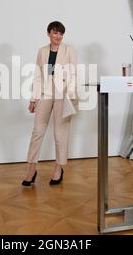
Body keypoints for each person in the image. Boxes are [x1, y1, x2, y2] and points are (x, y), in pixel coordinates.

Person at [22, 21, 77, 187]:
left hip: (63, 94)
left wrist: (70, 96)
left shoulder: (69, 50)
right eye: (55, 33)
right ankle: (31, 169)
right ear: (48, 34)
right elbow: (38, 76)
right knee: (37, 131)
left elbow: (74, 74)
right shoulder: (42, 51)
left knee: (60, 133)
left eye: (61, 34)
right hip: (46, 92)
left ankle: (58, 169)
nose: (58, 36)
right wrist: (33, 99)